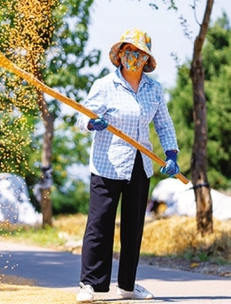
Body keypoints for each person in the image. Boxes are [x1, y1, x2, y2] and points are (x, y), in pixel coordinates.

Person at [75, 28, 180, 302]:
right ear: (119, 56)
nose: (133, 57)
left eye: (139, 54)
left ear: (146, 60)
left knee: (133, 227)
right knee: (100, 224)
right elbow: (81, 117)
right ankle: (92, 285)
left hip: (140, 164)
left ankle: (128, 286)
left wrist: (171, 155)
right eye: (128, 52)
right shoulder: (104, 86)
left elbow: (164, 124)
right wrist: (91, 122)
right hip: (107, 164)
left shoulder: (154, 89)